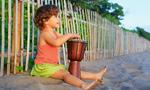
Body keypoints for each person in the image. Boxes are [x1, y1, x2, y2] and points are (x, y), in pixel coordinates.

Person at [31, 5, 107, 90]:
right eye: (56, 17)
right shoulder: (45, 33)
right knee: (65, 75)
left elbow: (64, 38)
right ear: (45, 20)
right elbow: (56, 43)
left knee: (74, 71)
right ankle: (83, 85)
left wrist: (73, 37)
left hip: (52, 66)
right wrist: (69, 35)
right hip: (43, 67)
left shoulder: (54, 33)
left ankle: (96, 76)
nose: (58, 19)